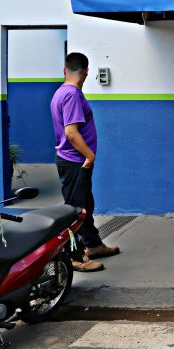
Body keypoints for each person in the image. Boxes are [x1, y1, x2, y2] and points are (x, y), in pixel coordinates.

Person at [50, 52, 120, 272]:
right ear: (87, 71)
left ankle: (94, 245)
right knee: (75, 211)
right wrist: (89, 156)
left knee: (85, 206)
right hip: (75, 162)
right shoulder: (71, 95)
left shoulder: (61, 92)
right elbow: (71, 133)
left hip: (72, 161)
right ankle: (74, 257)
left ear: (65, 70)